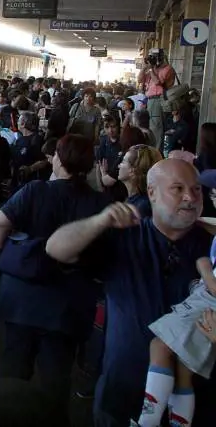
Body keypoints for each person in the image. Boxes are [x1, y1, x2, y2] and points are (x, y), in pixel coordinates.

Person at [45, 159, 216, 426]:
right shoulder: (124, 238)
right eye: (178, 188)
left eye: (196, 189)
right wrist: (99, 222)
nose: (190, 197)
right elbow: (56, 248)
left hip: (197, 404)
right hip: (122, 399)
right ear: (152, 192)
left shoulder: (211, 245)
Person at [0, 134, 111, 417]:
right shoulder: (98, 203)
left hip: (23, 296)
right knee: (56, 377)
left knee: (13, 370)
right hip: (67, 301)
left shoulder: (35, 190)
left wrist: (5, 250)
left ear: (59, 158)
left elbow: (0, 222)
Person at [135, 255, 216, 427]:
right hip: (204, 300)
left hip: (208, 305)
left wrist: (204, 268)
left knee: (159, 346)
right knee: (183, 368)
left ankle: (148, 422)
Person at [140, 49, 176, 149]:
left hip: (158, 100)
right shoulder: (151, 69)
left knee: (156, 128)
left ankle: (156, 153)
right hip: (149, 100)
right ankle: (151, 149)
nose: (152, 60)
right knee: (150, 127)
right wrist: (144, 68)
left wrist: (151, 69)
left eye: (154, 57)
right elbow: (140, 79)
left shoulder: (167, 69)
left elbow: (157, 82)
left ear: (160, 57)